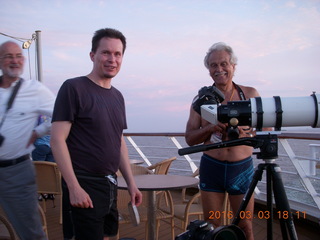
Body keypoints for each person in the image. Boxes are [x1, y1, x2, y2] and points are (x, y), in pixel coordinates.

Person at [50, 28, 143, 240]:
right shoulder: (73, 88)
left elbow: (117, 141)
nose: (112, 59)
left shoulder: (118, 97)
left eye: (117, 54)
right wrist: (73, 187)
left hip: (110, 184)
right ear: (93, 55)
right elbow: (57, 140)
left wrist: (130, 183)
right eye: (106, 53)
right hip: (84, 183)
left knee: (108, 235)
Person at [185, 42, 262, 240]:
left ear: (233, 66)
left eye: (223, 64)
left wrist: (248, 134)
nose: (219, 69)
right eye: (213, 65)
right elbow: (190, 139)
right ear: (208, 70)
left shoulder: (250, 95)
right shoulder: (201, 100)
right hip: (212, 167)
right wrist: (210, 128)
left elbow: (265, 133)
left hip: (241, 168)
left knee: (245, 226)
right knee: (212, 226)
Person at [0, 41, 55, 239]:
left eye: (18, 56)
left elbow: (61, 113)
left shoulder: (34, 90)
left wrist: (39, 131)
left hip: (17, 171)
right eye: (8, 56)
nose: (14, 60)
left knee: (30, 232)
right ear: (0, 60)